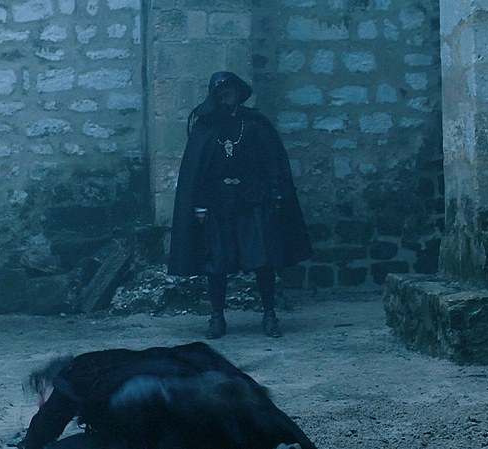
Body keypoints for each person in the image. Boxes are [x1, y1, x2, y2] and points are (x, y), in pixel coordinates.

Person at [167, 71, 312, 339]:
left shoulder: (254, 124)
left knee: (263, 260)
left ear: (238, 94)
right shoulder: (205, 127)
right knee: (216, 263)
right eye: (221, 95)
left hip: (253, 201)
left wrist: (276, 195)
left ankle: (269, 315)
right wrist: (199, 205)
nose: (226, 99)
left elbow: (273, 163)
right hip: (218, 205)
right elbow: (197, 172)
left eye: (230, 94)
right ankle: (217, 318)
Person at [17, 342, 317, 449]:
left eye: (40, 394)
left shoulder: (75, 372)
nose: (40, 402)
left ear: (48, 380)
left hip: (155, 397)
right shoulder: (117, 363)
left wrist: (31, 443)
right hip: (188, 383)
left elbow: (47, 422)